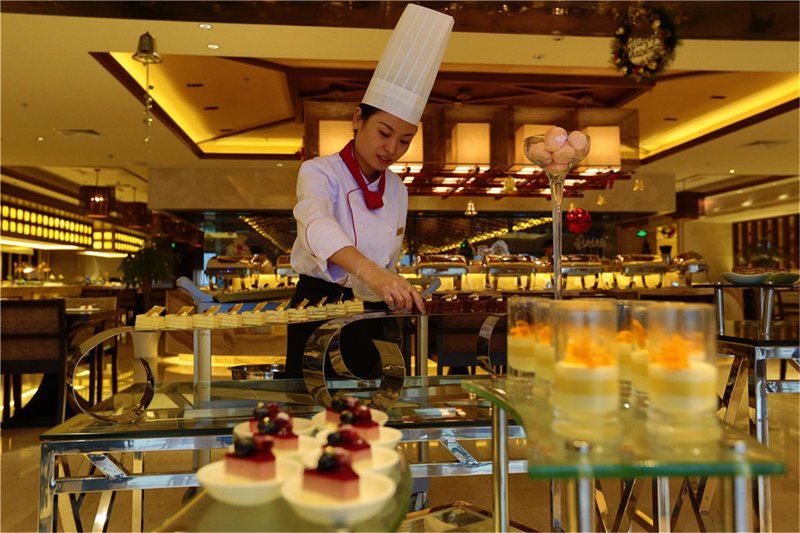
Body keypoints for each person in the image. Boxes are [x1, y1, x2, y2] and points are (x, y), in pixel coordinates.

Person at [286, 4, 454, 379]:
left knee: (373, 402)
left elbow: (386, 260)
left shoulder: (397, 189)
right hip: (318, 307)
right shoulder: (319, 171)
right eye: (384, 132)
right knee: (313, 406)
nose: (392, 148)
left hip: (374, 313)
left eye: (405, 140)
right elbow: (316, 225)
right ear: (358, 118)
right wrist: (372, 273)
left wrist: (392, 286)